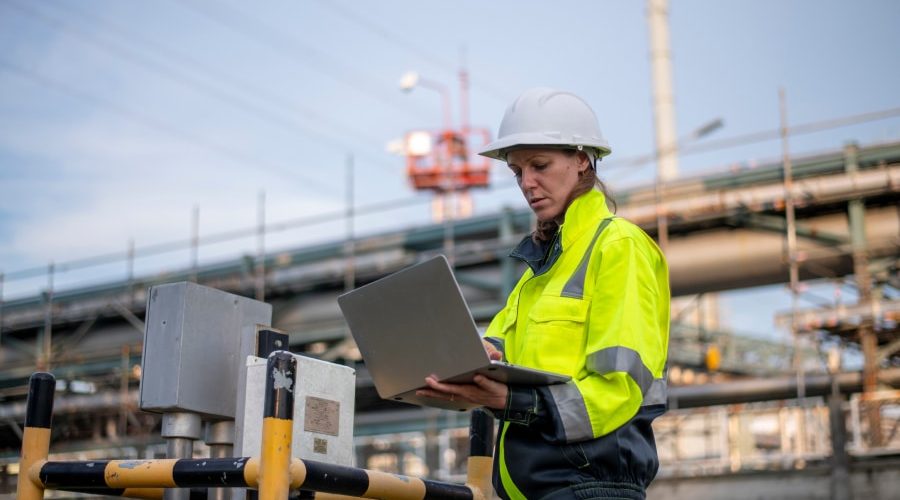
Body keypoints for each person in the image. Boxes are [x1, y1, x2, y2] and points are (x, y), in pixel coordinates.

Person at [416, 88, 670, 500]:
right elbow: (495, 347)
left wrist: (513, 401)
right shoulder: (537, 276)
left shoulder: (618, 246)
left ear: (582, 160)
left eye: (539, 165)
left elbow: (619, 389)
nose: (527, 183)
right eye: (517, 172)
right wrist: (462, 362)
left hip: (593, 488)